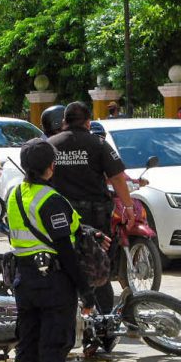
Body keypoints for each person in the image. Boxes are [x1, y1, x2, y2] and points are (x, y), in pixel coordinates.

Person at [8, 138, 93, 362]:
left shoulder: (15, 194)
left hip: (25, 281)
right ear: (50, 167)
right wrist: (86, 289)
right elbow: (65, 251)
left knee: (27, 351)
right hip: (53, 284)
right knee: (52, 352)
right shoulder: (51, 199)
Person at [48, 102, 135, 314]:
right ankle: (103, 317)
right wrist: (129, 207)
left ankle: (68, 312)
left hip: (60, 217)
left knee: (63, 262)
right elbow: (117, 177)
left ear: (64, 122)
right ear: (88, 122)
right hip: (95, 217)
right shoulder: (98, 144)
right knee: (98, 264)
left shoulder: (50, 145)